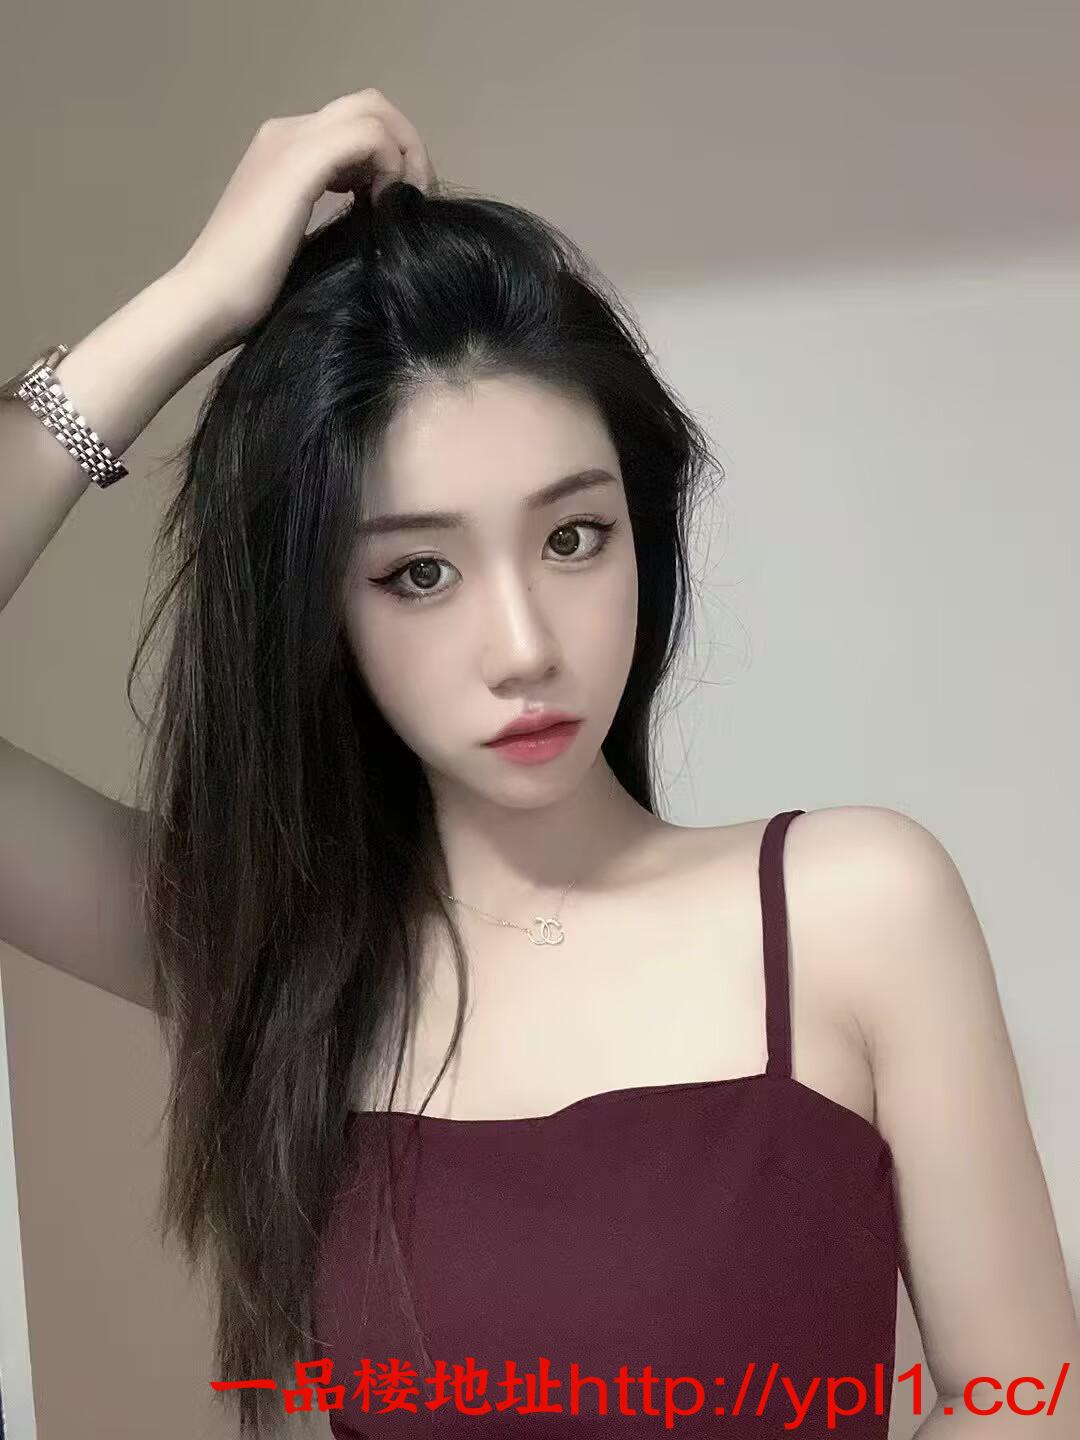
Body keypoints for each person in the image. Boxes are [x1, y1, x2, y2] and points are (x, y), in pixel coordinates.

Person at [0, 88, 1076, 1439]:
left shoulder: (854, 907)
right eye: (419, 572)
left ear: (643, 532)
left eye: (573, 539)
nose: (524, 647)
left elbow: (1029, 1403)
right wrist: (195, 303)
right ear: (318, 611)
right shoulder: (275, 954)